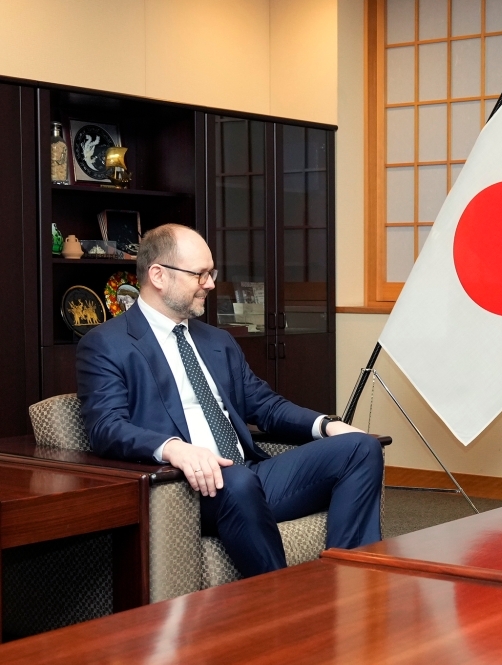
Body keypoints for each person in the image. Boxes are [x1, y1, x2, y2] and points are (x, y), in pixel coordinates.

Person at [76, 224, 383, 577]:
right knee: (235, 480)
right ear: (158, 275)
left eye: (211, 273)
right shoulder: (108, 344)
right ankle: (281, 604)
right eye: (200, 274)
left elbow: (265, 405)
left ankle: (350, 582)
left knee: (361, 448)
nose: (210, 283)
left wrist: (326, 425)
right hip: (187, 487)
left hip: (249, 475)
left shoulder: (217, 341)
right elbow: (106, 427)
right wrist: (173, 447)